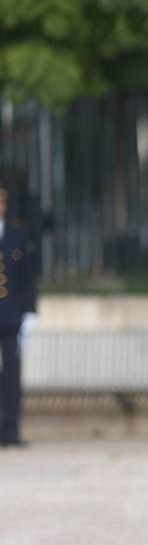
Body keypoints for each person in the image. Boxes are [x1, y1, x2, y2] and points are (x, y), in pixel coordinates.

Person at [0, 180, 38, 447]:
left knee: (12, 376)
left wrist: (30, 312)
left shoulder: (17, 236)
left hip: (11, 317)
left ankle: (11, 430)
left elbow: (27, 278)